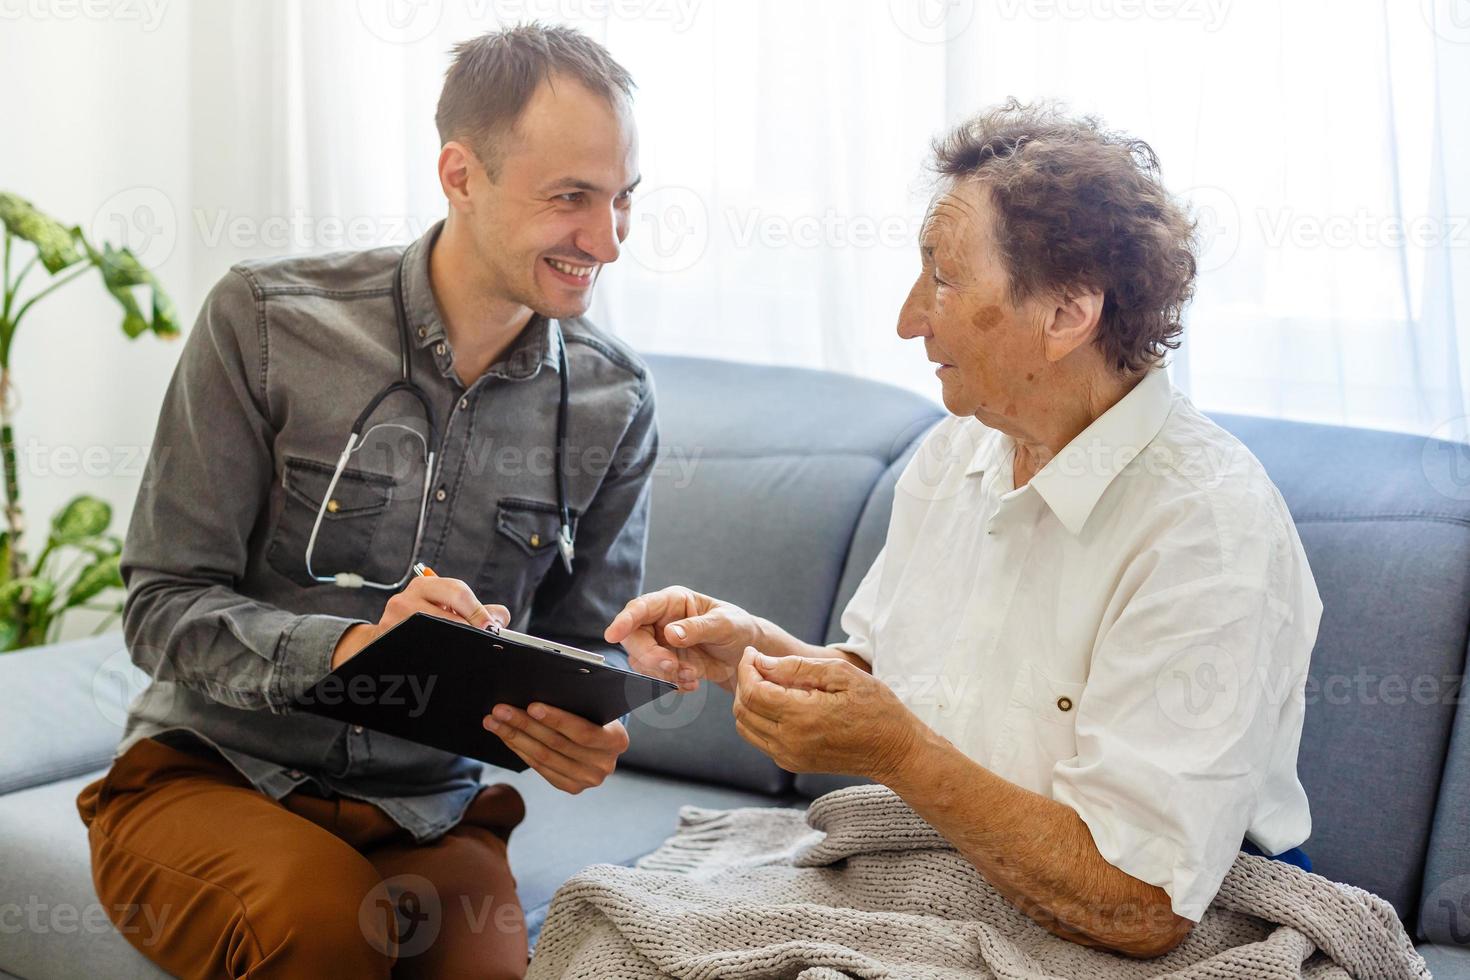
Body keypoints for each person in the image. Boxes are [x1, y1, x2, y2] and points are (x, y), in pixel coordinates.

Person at [605, 100, 1322, 959]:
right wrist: (749, 650)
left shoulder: (1208, 528)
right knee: (615, 935)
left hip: (1165, 918)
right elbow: (894, 684)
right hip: (950, 869)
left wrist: (902, 754)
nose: (910, 319)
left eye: (943, 278)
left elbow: (1144, 906)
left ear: (1066, 313)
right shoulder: (959, 452)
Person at [76, 24, 652, 979]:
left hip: (428, 809)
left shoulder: (613, 402)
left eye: (624, 199)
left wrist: (583, 725)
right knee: (324, 924)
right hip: (211, 772)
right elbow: (160, 604)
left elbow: (586, 646)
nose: (607, 241)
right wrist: (351, 649)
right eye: (571, 199)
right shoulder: (264, 324)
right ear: (460, 174)